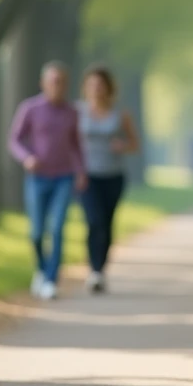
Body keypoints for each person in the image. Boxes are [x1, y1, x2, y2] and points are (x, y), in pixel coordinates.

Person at [7, 61, 87, 301]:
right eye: (53, 81)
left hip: (64, 177)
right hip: (37, 178)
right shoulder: (30, 109)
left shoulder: (72, 112)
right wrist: (27, 158)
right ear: (43, 83)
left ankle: (51, 280)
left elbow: (76, 145)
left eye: (61, 81)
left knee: (58, 228)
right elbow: (15, 140)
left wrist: (81, 171)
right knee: (36, 232)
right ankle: (41, 271)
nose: (57, 86)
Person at [76, 64, 141, 294]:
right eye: (92, 84)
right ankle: (93, 271)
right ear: (86, 87)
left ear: (108, 88)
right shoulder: (77, 112)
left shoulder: (120, 115)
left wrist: (122, 145)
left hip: (113, 176)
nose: (96, 89)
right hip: (87, 176)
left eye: (100, 85)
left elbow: (135, 144)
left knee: (107, 223)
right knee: (94, 222)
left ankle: (101, 270)